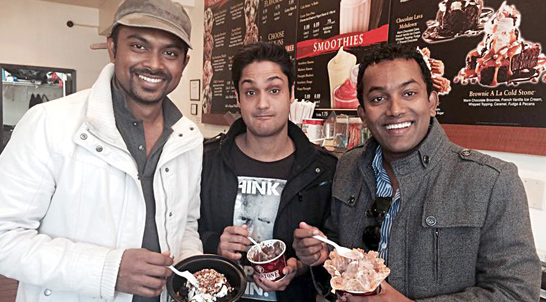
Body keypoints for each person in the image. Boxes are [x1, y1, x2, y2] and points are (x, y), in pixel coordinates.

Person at [293, 43, 541, 302]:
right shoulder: (349, 166)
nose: (395, 109)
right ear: (363, 114)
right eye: (378, 98)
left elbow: (517, 292)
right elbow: (337, 244)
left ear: (432, 102)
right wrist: (323, 253)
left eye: (409, 93)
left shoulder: (492, 181)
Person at [0, 0, 203, 301]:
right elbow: (5, 238)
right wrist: (108, 269)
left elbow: (185, 224)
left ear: (184, 63)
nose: (155, 64)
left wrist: (192, 272)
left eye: (170, 53)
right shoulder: (48, 124)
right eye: (139, 46)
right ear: (112, 48)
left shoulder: (189, 138)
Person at [198, 42, 337, 302]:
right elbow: (180, 229)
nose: (262, 104)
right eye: (251, 92)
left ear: (291, 94)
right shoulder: (206, 161)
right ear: (238, 98)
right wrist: (214, 244)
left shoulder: (323, 170)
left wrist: (304, 264)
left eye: (274, 90)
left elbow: (336, 247)